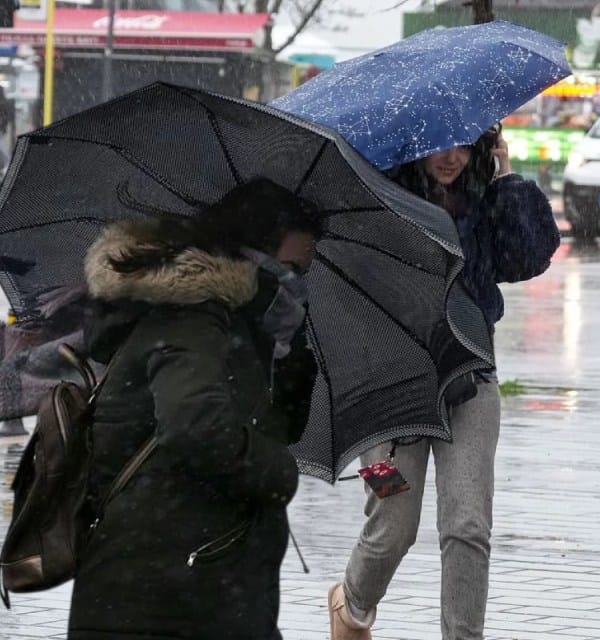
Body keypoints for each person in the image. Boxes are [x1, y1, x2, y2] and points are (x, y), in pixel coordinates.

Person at [329, 126, 559, 640]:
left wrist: (507, 179)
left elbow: (527, 258)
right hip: (387, 390)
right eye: (439, 143)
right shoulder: (378, 194)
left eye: (464, 144)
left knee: (467, 526)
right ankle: (353, 602)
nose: (452, 157)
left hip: (471, 379)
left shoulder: (486, 198)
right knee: (393, 524)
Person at [68, 179, 322, 639]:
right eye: (288, 269)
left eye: (303, 273)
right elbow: (194, 426)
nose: (295, 285)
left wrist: (290, 356)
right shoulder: (193, 321)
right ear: (252, 257)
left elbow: (279, 423)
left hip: (199, 583)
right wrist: (279, 472)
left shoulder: (243, 329)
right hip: (163, 594)